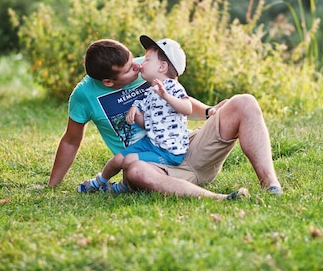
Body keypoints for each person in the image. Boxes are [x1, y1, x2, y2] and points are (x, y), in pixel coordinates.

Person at [48, 37, 282, 200]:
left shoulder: (147, 66)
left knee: (245, 102)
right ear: (108, 81)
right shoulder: (84, 95)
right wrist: (53, 186)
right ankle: (220, 198)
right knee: (135, 170)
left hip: (184, 147)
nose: (138, 68)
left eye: (136, 61)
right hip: (151, 166)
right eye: (130, 69)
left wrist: (210, 111)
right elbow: (71, 140)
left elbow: (179, 98)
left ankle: (271, 185)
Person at [77, 36, 193, 194]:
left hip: (169, 151)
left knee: (129, 160)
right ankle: (99, 182)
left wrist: (167, 97)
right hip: (151, 143)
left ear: (162, 67)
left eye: (146, 60)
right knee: (118, 159)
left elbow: (187, 108)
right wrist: (135, 111)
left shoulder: (172, 87)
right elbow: (147, 124)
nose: (140, 64)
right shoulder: (151, 91)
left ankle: (123, 187)